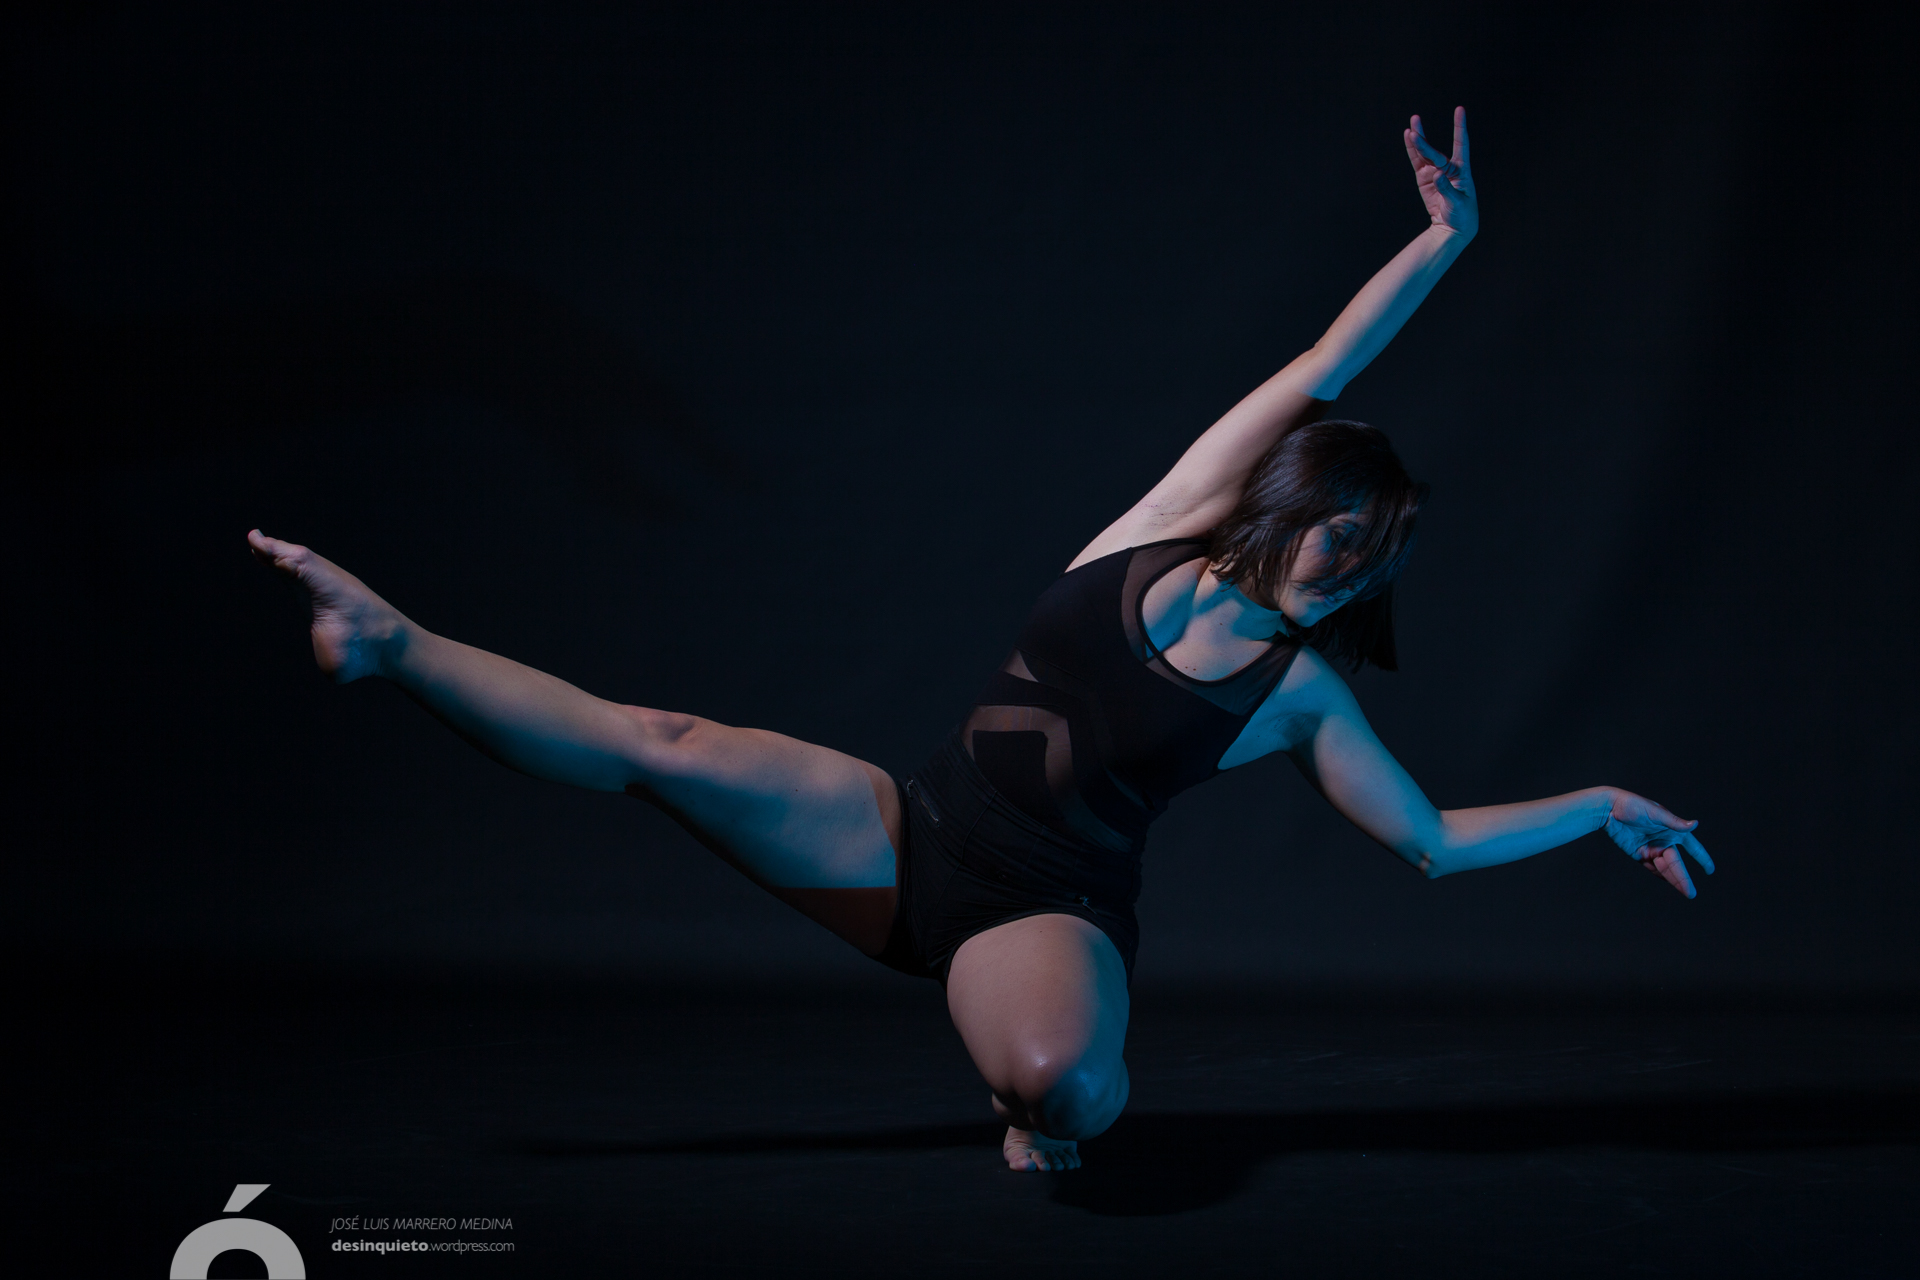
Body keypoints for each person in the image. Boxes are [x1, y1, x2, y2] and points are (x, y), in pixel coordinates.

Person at [248, 108, 1713, 1173]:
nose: (1352, 578)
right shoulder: (1166, 523)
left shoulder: (1300, 697)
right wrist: (1444, 242)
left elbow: (1432, 844)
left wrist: (1596, 805)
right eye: (1348, 542)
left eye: (1377, 566)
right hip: (904, 834)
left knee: (1062, 1088)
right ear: (1292, 507)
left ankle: (1036, 1105)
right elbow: (1329, 362)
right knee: (662, 744)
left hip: (1041, 915)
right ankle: (392, 644)